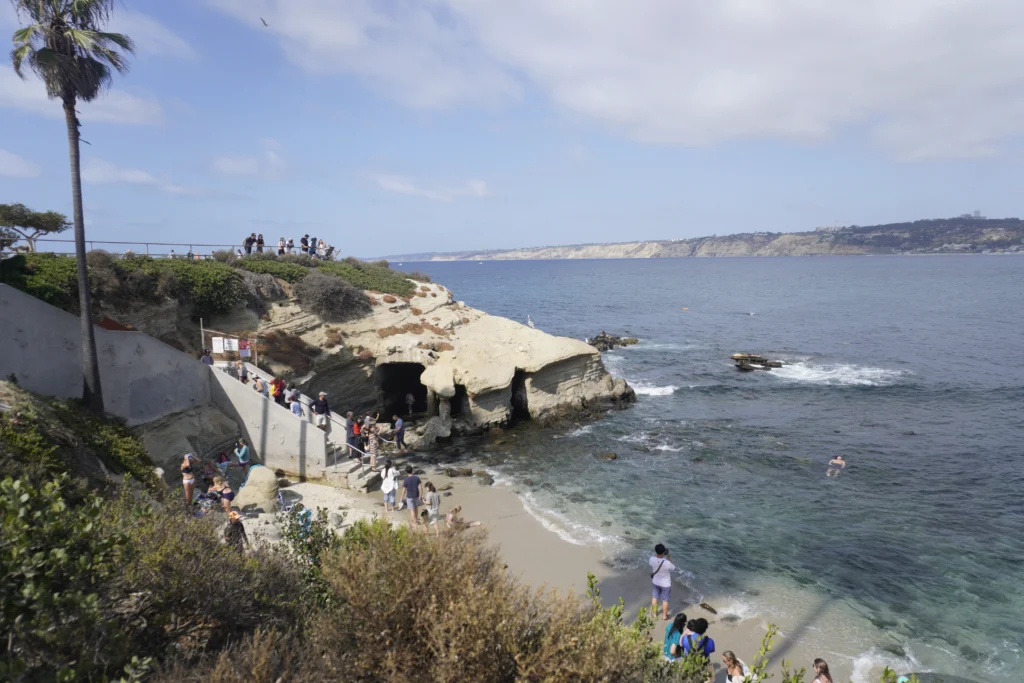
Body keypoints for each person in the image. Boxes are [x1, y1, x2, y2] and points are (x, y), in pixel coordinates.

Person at [649, 543, 675, 621]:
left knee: (655, 597)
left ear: (656, 551)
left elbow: (654, 561)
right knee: (665, 600)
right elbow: (673, 567)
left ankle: (654, 614)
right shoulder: (667, 563)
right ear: (664, 552)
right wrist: (668, 555)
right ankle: (664, 616)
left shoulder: (651, 559)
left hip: (655, 582)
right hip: (666, 584)